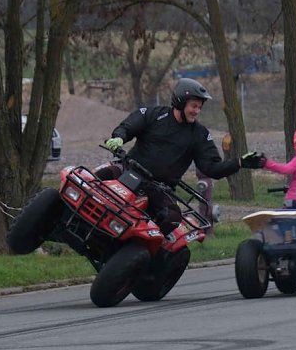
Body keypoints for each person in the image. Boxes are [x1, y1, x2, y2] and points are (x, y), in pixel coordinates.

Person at [98, 78, 262, 236]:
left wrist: (239, 162)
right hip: (130, 170)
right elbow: (128, 126)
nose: (197, 111)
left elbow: (212, 168)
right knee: (100, 176)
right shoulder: (154, 115)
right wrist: (118, 138)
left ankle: (141, 245)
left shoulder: (199, 134)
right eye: (193, 106)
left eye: (199, 107)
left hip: (159, 188)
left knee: (173, 217)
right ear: (180, 102)